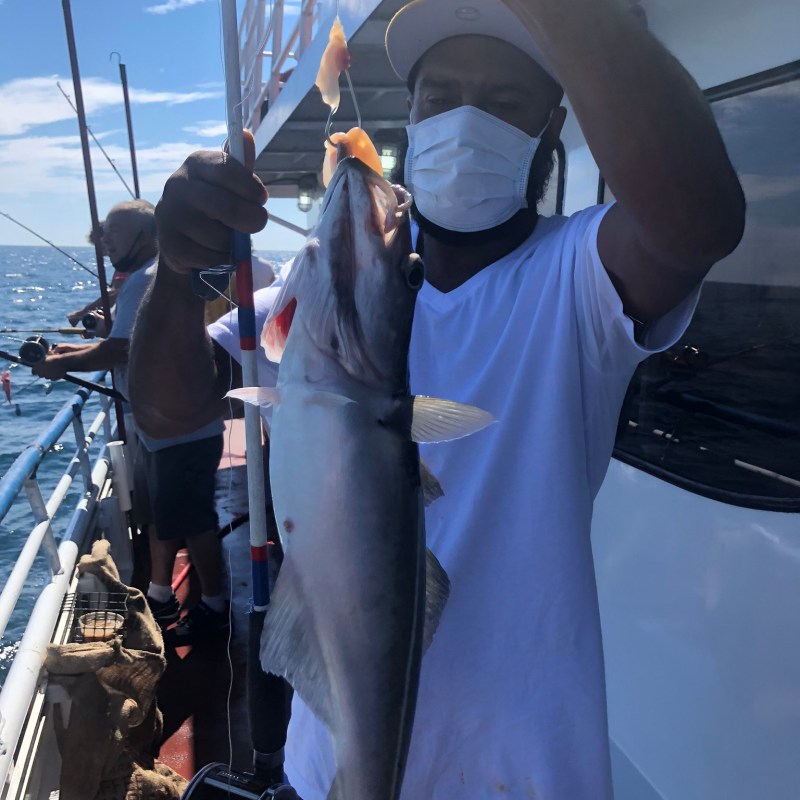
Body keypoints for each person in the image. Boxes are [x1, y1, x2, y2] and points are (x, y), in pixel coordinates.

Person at [129, 0, 745, 795]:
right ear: (411, 115)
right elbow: (168, 412)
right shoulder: (330, 286)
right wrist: (176, 278)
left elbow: (696, 223)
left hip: (522, 773)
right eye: (441, 94)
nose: (465, 118)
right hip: (333, 762)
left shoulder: (579, 275)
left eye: (505, 102)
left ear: (549, 129)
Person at [33, 199, 228, 643]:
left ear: (143, 236)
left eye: (112, 234)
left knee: (195, 520)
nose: (103, 244)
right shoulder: (149, 278)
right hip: (167, 422)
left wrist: (62, 364)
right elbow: (130, 341)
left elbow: (121, 349)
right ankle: (162, 595)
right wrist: (73, 352)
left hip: (179, 425)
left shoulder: (146, 279)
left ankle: (216, 607)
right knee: (170, 514)